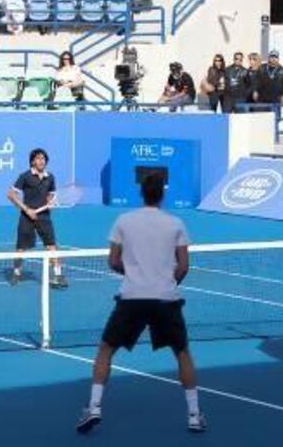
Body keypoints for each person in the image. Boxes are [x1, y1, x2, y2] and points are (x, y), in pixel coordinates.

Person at [76, 173, 205, 435]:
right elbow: (183, 266)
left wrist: (135, 275)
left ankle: (94, 407)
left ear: (142, 193)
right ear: (162, 194)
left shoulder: (123, 221)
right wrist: (166, 282)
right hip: (166, 300)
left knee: (105, 350)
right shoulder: (176, 223)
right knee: (182, 353)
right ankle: (194, 415)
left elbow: (112, 261)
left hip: (132, 298)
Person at [6, 148, 67, 289]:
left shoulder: (50, 177)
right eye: (38, 158)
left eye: (43, 158)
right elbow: (11, 195)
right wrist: (26, 209)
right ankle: (16, 272)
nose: (41, 161)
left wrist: (50, 202)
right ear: (32, 161)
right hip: (26, 217)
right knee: (21, 248)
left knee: (51, 246)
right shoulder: (25, 176)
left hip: (44, 217)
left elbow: (50, 195)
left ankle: (58, 275)